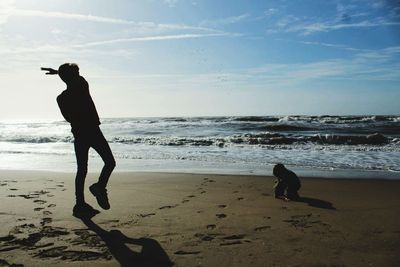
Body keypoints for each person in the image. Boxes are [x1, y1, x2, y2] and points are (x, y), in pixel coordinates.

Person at [42, 64, 116, 218]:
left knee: (82, 169)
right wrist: (59, 73)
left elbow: (68, 117)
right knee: (109, 162)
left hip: (79, 134)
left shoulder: (61, 98)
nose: (79, 74)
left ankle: (80, 204)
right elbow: (77, 80)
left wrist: (59, 73)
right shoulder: (82, 86)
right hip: (93, 132)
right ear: (74, 76)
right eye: (77, 72)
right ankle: (99, 187)